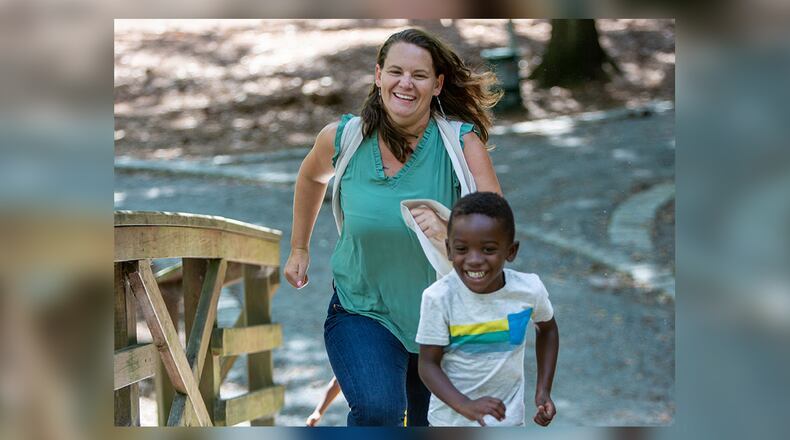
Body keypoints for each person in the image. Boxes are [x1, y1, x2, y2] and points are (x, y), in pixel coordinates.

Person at [284, 28, 503, 426]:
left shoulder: (460, 143)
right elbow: (311, 177)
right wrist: (299, 247)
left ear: (437, 85)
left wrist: (451, 233)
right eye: (396, 72)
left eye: (419, 75)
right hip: (362, 309)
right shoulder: (343, 138)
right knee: (378, 410)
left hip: (440, 324)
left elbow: (497, 228)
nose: (406, 83)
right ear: (378, 75)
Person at [416, 192, 560, 427]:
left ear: (510, 251)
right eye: (462, 249)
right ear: (449, 250)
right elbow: (428, 364)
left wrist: (543, 391)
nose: (474, 260)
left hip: (508, 423)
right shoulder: (439, 298)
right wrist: (465, 405)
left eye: (488, 249)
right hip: (450, 424)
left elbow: (548, 329)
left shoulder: (528, 290)